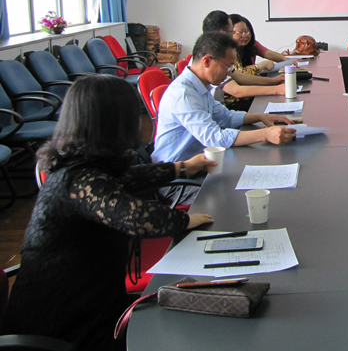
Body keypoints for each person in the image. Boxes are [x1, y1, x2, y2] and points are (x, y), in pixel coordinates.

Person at [3, 75, 216, 350]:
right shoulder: (77, 180)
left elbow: (126, 178)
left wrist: (181, 167)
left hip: (92, 303)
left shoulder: (82, 166)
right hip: (64, 325)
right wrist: (185, 220)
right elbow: (139, 218)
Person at [153, 33, 296, 202]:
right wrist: (265, 134)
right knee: (232, 200)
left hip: (199, 168)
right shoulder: (183, 95)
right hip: (175, 180)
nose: (229, 73)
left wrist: (259, 116)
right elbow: (215, 138)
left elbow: (225, 117)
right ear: (207, 61)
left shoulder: (200, 87)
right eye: (227, 66)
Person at [203, 10, 286, 106]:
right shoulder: (214, 56)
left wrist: (273, 81)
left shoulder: (223, 51)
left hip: (227, 109)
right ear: (222, 33)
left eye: (246, 31)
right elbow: (236, 91)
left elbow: (240, 76)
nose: (244, 35)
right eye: (232, 31)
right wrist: (276, 89)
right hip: (230, 105)